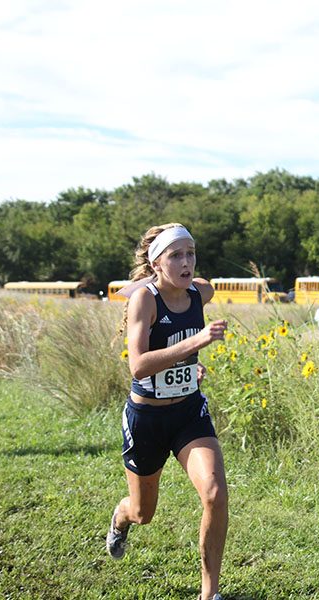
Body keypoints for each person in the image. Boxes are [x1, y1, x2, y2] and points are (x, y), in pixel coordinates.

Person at [106, 223, 229, 600]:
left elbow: (201, 283)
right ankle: (120, 518)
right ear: (156, 264)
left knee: (214, 493)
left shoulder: (200, 292)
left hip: (189, 412)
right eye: (175, 255)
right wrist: (196, 341)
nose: (186, 261)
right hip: (147, 419)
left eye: (191, 252)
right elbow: (138, 365)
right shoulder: (145, 299)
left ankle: (209, 594)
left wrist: (190, 365)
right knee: (143, 513)